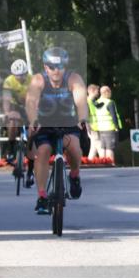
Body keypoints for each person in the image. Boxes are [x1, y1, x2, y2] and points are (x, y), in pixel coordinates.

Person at [25, 47, 90, 214]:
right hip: (44, 124)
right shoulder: (38, 80)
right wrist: (33, 121)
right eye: (52, 67)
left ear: (65, 67)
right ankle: (42, 196)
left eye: (60, 67)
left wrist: (82, 119)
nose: (56, 71)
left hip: (68, 123)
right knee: (43, 150)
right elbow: (31, 104)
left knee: (74, 147)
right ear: (46, 67)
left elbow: (81, 102)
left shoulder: (73, 79)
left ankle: (74, 176)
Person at [2, 59, 35, 185]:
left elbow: (35, 99)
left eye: (23, 75)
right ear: (13, 74)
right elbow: (6, 99)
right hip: (14, 107)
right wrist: (7, 113)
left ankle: (30, 171)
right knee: (12, 121)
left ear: (26, 73)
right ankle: (10, 150)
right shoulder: (9, 81)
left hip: (29, 106)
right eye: (17, 75)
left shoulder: (32, 79)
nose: (20, 78)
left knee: (32, 136)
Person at [92, 85, 123, 165]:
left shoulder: (97, 103)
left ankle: (103, 164)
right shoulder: (109, 102)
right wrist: (116, 127)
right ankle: (111, 164)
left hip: (100, 128)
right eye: (110, 92)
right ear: (106, 92)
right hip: (109, 128)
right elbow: (113, 116)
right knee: (109, 148)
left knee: (103, 148)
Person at [86, 84, 101, 160]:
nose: (98, 93)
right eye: (97, 91)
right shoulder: (88, 102)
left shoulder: (93, 101)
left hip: (95, 126)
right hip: (93, 127)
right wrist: (89, 128)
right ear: (92, 91)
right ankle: (105, 159)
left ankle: (89, 160)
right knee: (99, 144)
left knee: (94, 146)